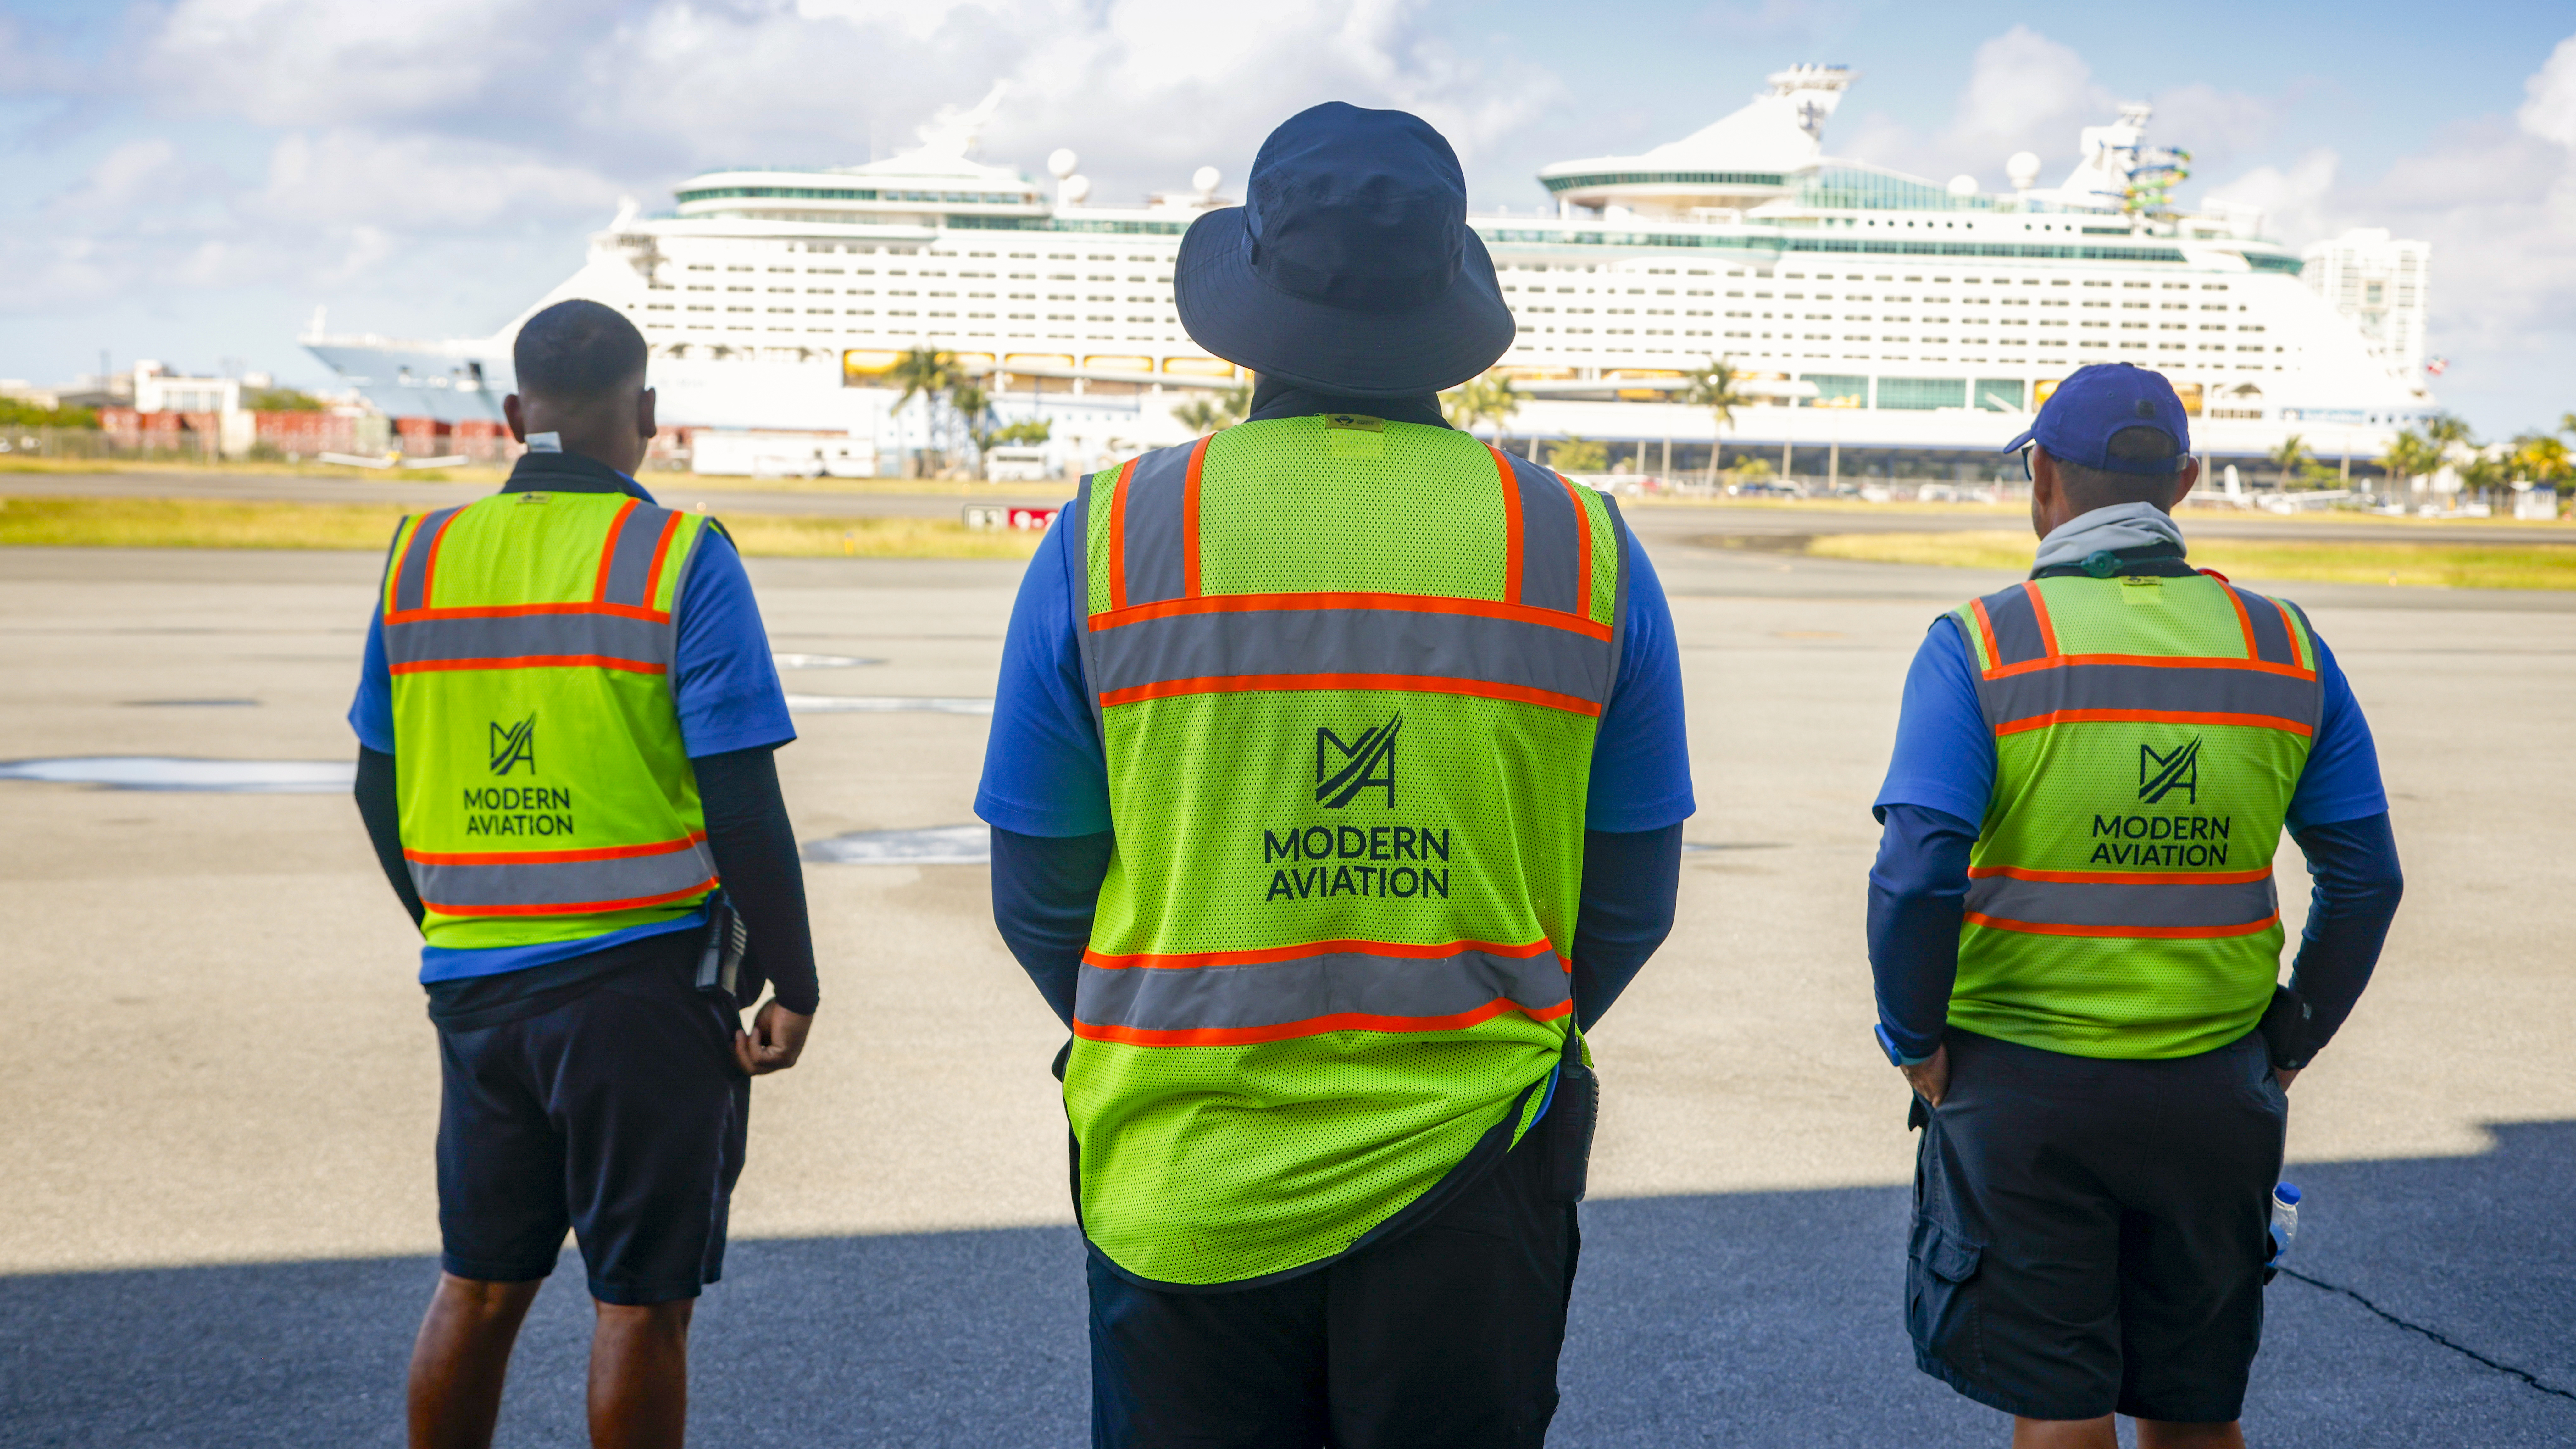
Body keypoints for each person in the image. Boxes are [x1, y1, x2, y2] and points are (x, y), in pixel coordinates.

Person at [974, 103, 1693, 1448]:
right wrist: (1488, 1027)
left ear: (1247, 296)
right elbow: (1630, 901)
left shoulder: (1114, 534)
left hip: (1185, 1172)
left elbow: (1036, 890)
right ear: (1448, 297)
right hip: (1474, 1175)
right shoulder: (1579, 549)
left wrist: (1150, 1028)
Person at [1867, 363, 2405, 1448]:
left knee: (2062, 1412)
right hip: (2216, 1088)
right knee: (2196, 1411)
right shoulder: (2285, 645)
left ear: (2044, 480)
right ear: (2187, 482)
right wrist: (2289, 1039)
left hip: (2025, 1087)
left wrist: (1914, 1038)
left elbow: (1919, 868)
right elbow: (2368, 879)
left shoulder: (1982, 643)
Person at [346, 299, 819, 1449]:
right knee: (640, 1307)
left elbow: (375, 786)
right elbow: (739, 796)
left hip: (474, 987)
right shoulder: (678, 556)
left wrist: (462, 916)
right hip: (640, 992)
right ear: (647, 414)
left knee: (481, 1285)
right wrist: (793, 977)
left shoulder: (424, 557)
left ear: (515, 416)